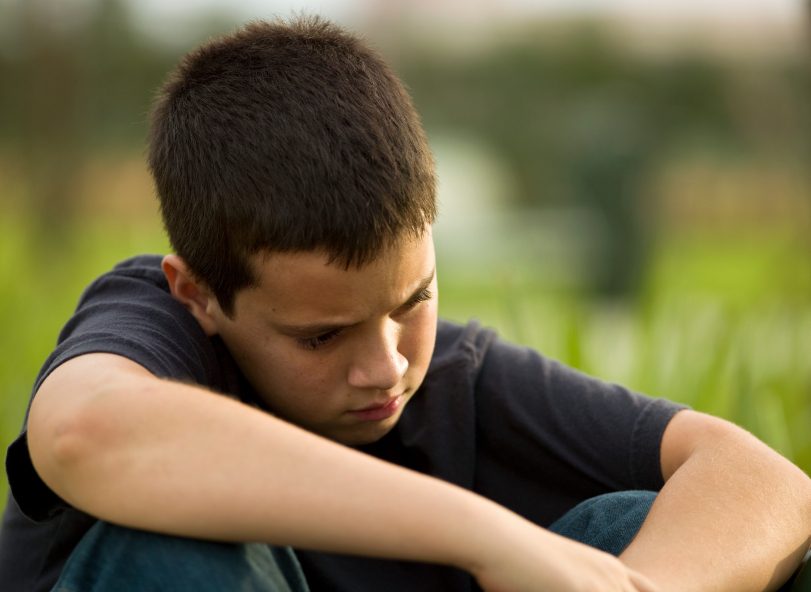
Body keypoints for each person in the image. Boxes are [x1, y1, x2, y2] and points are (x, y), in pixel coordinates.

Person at [1, 15, 809, 592]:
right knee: (181, 549)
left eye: (412, 300)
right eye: (321, 337)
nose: (385, 366)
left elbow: (767, 485)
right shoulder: (151, 326)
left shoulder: (454, 377)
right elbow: (84, 431)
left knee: (636, 528)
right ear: (199, 294)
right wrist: (485, 536)